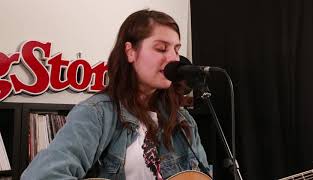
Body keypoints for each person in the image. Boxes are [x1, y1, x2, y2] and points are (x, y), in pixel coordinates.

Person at [21, 9, 210, 180]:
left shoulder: (183, 120)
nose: (173, 58)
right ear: (130, 52)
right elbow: (42, 176)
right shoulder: (96, 114)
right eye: (161, 48)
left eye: (176, 49)